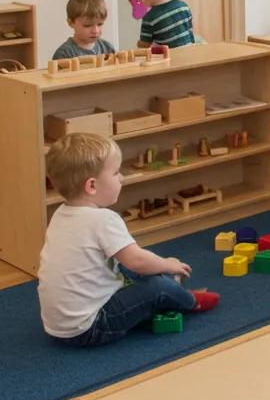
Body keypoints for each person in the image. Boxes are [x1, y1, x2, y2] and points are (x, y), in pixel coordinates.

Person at [38, 133, 218, 347]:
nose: (121, 178)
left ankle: (159, 299)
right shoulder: (103, 219)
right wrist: (168, 264)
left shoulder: (60, 214)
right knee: (157, 285)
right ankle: (191, 301)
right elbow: (137, 261)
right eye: (116, 173)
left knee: (137, 270)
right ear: (92, 186)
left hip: (57, 328)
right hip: (93, 328)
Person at [52, 0, 117, 60]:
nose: (95, 31)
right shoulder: (64, 54)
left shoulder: (108, 49)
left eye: (100, 24)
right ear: (71, 23)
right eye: (87, 25)